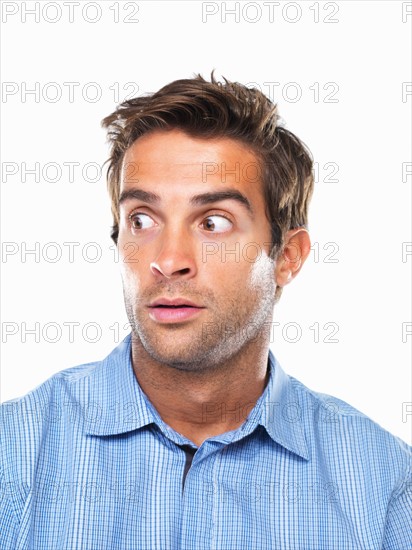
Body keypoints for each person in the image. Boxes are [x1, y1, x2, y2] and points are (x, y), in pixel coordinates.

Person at [1, 73, 410, 550]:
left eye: (213, 222)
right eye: (142, 219)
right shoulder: (13, 456)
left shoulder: (383, 483)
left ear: (287, 257)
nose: (169, 259)